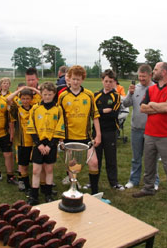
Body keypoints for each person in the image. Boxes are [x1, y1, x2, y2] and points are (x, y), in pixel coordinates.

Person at [132, 62, 167, 211]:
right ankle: (148, 188)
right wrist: (159, 106)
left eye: (155, 69)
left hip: (166, 135)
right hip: (149, 134)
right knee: (149, 165)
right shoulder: (151, 89)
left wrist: (153, 105)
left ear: (164, 72)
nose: (153, 71)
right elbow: (143, 108)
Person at [58, 65, 101, 196]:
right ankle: (73, 192)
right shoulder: (63, 96)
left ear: (82, 79)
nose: (75, 82)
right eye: (73, 79)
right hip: (69, 138)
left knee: (94, 162)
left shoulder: (88, 95)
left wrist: (98, 134)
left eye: (78, 79)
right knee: (72, 166)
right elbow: (59, 119)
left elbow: (95, 116)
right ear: (68, 79)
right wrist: (60, 139)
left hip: (85, 137)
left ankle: (94, 193)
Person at [27, 82, 65, 205]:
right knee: (36, 170)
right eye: (44, 94)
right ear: (41, 94)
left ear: (54, 94)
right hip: (38, 144)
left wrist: (50, 145)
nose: (47, 97)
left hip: (51, 144)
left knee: (49, 170)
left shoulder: (58, 109)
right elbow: (31, 127)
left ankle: (48, 194)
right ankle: (34, 196)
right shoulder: (35, 108)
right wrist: (39, 144)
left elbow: (60, 128)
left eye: (49, 94)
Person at [123, 64, 160, 190]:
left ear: (150, 75)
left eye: (144, 77)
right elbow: (126, 103)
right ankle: (134, 180)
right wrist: (130, 93)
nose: (141, 79)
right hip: (136, 129)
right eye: (139, 76)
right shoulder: (134, 88)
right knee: (136, 158)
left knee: (152, 158)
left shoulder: (156, 88)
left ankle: (154, 181)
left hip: (152, 130)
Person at [94, 69, 124, 190]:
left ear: (114, 82)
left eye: (110, 81)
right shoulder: (96, 95)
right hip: (96, 131)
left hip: (111, 131)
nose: (108, 84)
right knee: (96, 159)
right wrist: (103, 111)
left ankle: (114, 182)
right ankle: (93, 182)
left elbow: (114, 114)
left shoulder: (116, 96)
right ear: (102, 81)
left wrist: (100, 113)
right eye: (106, 81)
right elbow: (93, 113)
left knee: (111, 158)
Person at [7, 86, 36, 193]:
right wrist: (19, 90)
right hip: (22, 142)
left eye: (28, 98)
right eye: (23, 98)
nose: (25, 101)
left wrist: (35, 90)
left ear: (31, 99)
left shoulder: (35, 108)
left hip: (34, 143)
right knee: (23, 165)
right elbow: (8, 99)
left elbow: (45, 99)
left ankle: (37, 183)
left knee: (36, 165)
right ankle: (25, 184)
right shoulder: (17, 109)